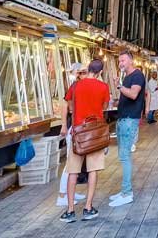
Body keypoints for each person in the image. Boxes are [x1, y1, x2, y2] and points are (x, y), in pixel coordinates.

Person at [60, 59, 110, 223]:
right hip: (94, 133)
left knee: (72, 172)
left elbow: (68, 105)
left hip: (78, 133)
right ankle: (88, 208)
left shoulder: (76, 86)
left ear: (88, 69)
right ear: (100, 72)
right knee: (92, 171)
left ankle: (70, 210)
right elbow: (104, 107)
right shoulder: (103, 87)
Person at [109, 50, 145, 208]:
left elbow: (133, 94)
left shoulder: (137, 75)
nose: (120, 63)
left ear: (131, 61)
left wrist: (118, 85)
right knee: (123, 156)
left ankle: (127, 193)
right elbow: (126, 96)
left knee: (125, 157)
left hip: (129, 120)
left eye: (123, 60)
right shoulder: (128, 77)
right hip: (123, 119)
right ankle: (124, 190)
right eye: (119, 61)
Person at [57, 63, 88, 207]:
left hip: (77, 127)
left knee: (74, 164)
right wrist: (64, 124)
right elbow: (65, 106)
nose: (84, 74)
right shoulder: (74, 86)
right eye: (82, 72)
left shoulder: (78, 86)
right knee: (70, 164)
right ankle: (62, 195)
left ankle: (70, 192)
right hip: (73, 127)